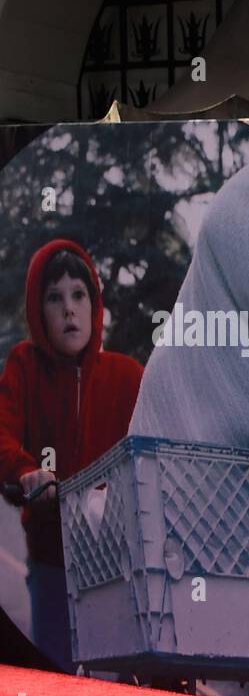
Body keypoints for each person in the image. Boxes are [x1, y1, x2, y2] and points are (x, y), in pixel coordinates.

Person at [0, 239, 143, 673]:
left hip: (118, 563)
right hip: (53, 557)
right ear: (38, 310)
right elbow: (2, 433)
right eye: (54, 297)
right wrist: (26, 471)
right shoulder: (23, 365)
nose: (68, 309)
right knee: (55, 679)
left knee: (125, 686)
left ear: (94, 304)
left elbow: (155, 438)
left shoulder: (127, 375)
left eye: (79, 295)